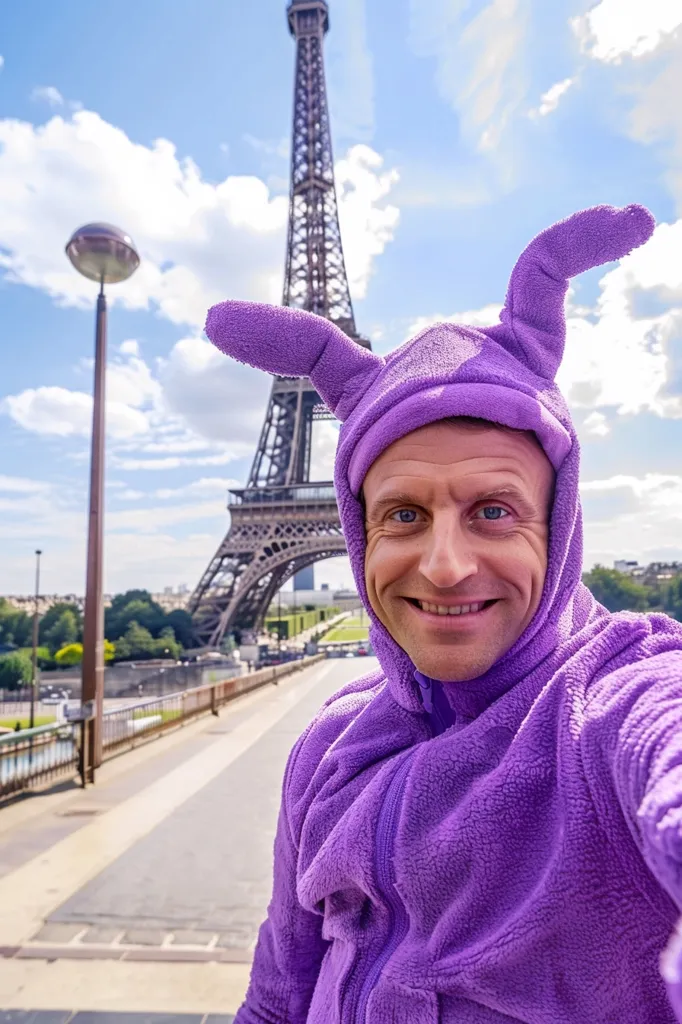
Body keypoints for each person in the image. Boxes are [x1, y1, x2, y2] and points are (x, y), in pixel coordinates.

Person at [205, 205, 682, 1023]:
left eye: (494, 510)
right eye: (403, 515)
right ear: (360, 536)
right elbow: (278, 996)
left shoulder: (618, 704)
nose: (446, 564)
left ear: (558, 523)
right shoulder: (329, 747)